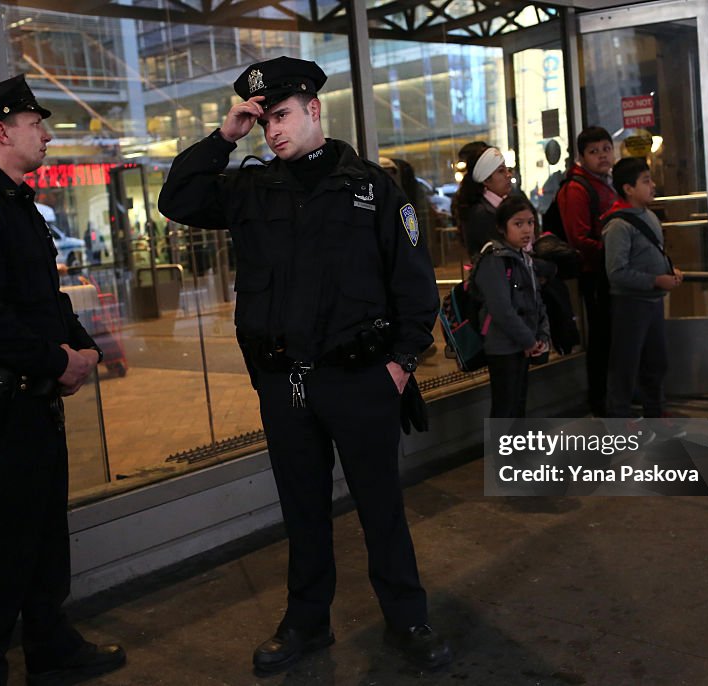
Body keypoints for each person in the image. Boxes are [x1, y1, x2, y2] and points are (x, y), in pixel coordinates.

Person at [157, 56, 451, 674]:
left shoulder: (371, 187)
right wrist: (224, 135)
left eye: (282, 115)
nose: (274, 131)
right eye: (264, 122)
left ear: (315, 110)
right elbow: (177, 199)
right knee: (302, 509)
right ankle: (306, 623)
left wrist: (399, 364)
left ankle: (408, 619)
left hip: (361, 376)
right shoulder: (251, 187)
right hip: (286, 381)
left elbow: (415, 285)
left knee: (380, 508)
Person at [0, 74, 126, 685]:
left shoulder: (20, 208)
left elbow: (45, 301)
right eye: (35, 124)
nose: (45, 134)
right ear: (1, 131)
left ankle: (50, 644)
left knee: (43, 535)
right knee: (7, 544)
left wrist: (83, 350)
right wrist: (55, 361)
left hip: (33, 400)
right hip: (2, 404)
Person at [602, 157, 683, 418]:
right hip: (631, 304)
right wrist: (655, 280)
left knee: (656, 362)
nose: (653, 186)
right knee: (625, 364)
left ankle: (655, 411)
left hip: (653, 301)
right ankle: (620, 417)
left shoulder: (649, 216)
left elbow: (654, 254)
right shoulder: (619, 225)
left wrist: (669, 272)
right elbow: (616, 272)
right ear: (628, 188)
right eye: (646, 181)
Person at [553, 126, 618, 416]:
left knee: (613, 336)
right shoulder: (577, 189)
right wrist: (613, 250)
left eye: (606, 148)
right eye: (594, 151)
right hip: (595, 273)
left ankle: (614, 395)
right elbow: (578, 238)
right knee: (601, 339)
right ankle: (600, 400)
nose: (602, 155)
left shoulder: (607, 181)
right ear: (582, 157)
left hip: (611, 270)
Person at [473, 196, 550, 417]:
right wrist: (528, 340)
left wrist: (541, 337)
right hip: (503, 346)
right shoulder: (494, 259)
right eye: (518, 224)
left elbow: (536, 300)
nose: (526, 230)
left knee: (518, 403)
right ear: (501, 228)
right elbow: (501, 309)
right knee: (505, 406)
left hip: (523, 343)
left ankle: (516, 450)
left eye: (530, 223)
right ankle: (502, 452)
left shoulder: (523, 257)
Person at [453, 146, 514, 257]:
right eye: (501, 171)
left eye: (507, 169)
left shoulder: (505, 204)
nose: (508, 175)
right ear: (486, 180)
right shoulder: (482, 214)